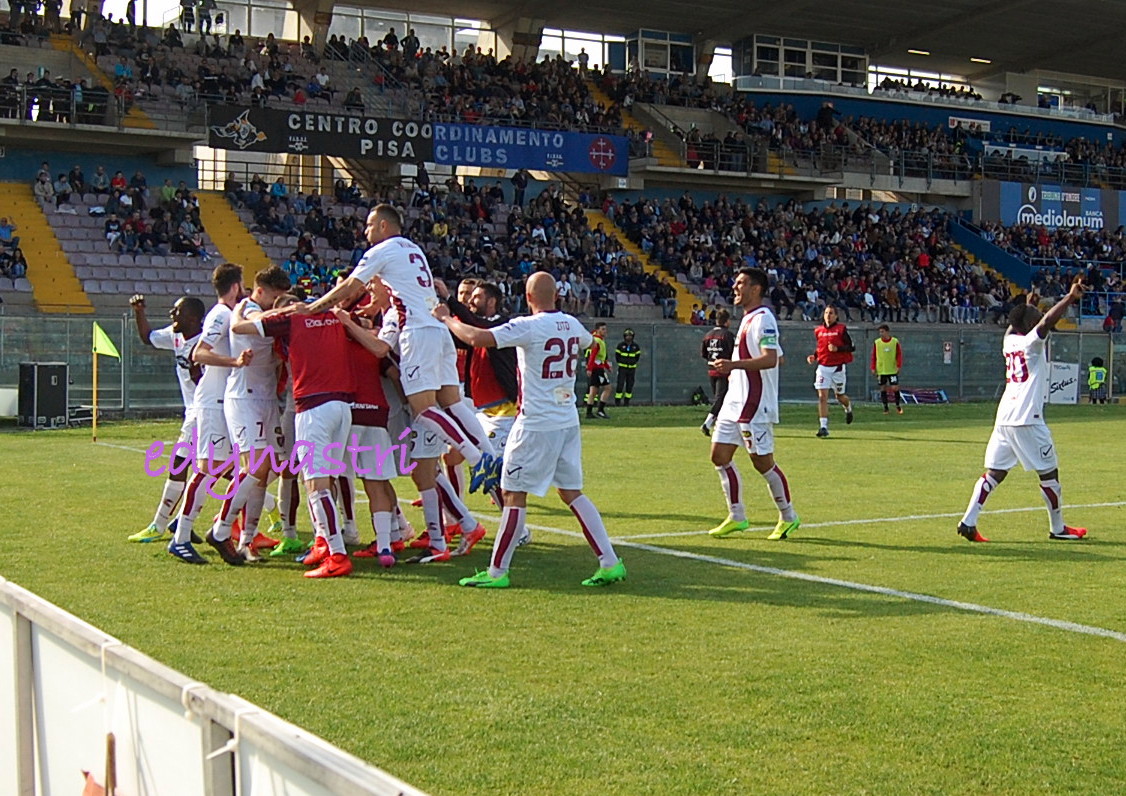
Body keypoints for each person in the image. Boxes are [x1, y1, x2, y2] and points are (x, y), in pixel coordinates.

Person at [300, 203, 498, 563]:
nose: (365, 231)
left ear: (386, 225)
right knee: (451, 401)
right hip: (436, 329)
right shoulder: (412, 248)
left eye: (370, 224)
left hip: (418, 334)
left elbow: (349, 286)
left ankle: (476, 460)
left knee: (423, 409)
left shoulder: (383, 251)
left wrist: (316, 308)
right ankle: (485, 458)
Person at [434, 272, 627, 588]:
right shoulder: (572, 324)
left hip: (535, 423)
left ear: (527, 297)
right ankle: (609, 561)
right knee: (571, 492)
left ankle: (497, 572)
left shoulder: (528, 326)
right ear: (557, 296)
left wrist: (446, 318)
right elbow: (593, 344)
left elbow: (475, 338)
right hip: (567, 419)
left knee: (512, 494)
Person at [231, 300, 359, 577]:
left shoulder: (289, 321)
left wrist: (240, 307)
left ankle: (337, 554)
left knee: (316, 484)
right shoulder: (333, 316)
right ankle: (324, 543)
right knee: (325, 478)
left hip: (313, 408)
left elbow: (239, 327)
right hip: (343, 405)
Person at [957, 280, 1089, 543]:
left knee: (995, 472)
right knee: (1050, 473)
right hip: (1027, 418)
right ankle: (1058, 528)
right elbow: (1046, 323)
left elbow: (1019, 323)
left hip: (1004, 417)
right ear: (1029, 326)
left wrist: (1030, 304)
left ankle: (968, 521)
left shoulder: (1009, 342)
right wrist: (1070, 298)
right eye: (1036, 315)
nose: (1041, 315)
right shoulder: (1031, 344)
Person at [203, 266, 293, 563]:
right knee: (255, 465)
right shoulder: (247, 308)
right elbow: (251, 322)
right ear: (260, 291)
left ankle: (247, 541)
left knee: (265, 470)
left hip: (266, 398)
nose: (277, 304)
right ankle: (221, 528)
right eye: (275, 297)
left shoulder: (267, 313)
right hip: (243, 398)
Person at [166, 264, 253, 562]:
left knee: (227, 469)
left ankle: (187, 523)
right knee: (208, 469)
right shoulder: (221, 314)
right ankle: (180, 537)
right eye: (241, 285)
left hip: (223, 403)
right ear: (235, 286)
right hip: (212, 403)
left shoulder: (231, 315)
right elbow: (199, 353)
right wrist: (235, 362)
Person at [705, 268, 800, 541]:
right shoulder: (748, 319)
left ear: (756, 289)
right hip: (735, 401)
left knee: (762, 462)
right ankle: (737, 516)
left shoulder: (764, 319)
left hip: (754, 403)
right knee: (719, 456)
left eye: (741, 283)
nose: (735, 287)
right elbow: (778, 357)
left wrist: (734, 365)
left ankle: (788, 516)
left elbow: (770, 359)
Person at [126, 294, 206, 547]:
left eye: (177, 311)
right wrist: (139, 311)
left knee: (180, 466)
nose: (172, 314)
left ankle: (158, 525)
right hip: (196, 412)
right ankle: (182, 521)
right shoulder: (176, 336)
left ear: (193, 317)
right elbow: (147, 337)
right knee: (221, 471)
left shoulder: (207, 342)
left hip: (203, 413)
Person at [807, 305, 854, 437]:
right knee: (822, 397)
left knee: (840, 396)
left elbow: (852, 347)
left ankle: (848, 407)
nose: (828, 315)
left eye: (831, 313)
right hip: (823, 367)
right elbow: (820, 347)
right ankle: (823, 427)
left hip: (837, 368)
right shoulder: (819, 331)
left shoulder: (841, 329)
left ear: (836, 316)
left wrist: (838, 349)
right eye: (826, 313)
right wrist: (814, 356)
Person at [700, 309, 735, 436]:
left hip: (711, 369)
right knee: (721, 399)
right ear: (727, 321)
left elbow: (704, 354)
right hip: (724, 371)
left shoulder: (708, 335)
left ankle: (722, 426)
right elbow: (734, 353)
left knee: (721, 399)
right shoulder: (728, 335)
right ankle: (707, 423)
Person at [870, 324, 904, 415]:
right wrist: (873, 367)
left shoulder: (894, 341)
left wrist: (899, 365)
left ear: (887, 332)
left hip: (892, 369)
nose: (881, 334)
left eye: (882, 332)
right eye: (880, 332)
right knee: (883, 388)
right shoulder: (877, 342)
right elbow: (873, 356)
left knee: (894, 387)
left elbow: (899, 354)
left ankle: (898, 405)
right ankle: (885, 408)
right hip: (881, 370)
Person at [584, 321, 612, 419]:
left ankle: (589, 412)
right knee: (608, 388)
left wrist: (607, 366)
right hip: (597, 369)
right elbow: (593, 356)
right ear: (597, 330)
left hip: (597, 367)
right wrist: (590, 368)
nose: (605, 331)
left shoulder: (596, 339)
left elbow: (600, 357)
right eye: (603, 329)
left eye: (605, 329)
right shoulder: (597, 341)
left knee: (593, 391)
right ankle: (600, 410)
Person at [613, 329, 641, 406]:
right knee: (620, 384)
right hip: (622, 368)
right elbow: (617, 356)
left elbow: (637, 357)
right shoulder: (620, 345)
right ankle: (617, 402)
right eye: (627, 336)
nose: (628, 337)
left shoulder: (636, 346)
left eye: (630, 336)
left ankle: (626, 402)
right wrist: (621, 363)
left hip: (632, 369)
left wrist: (632, 362)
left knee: (630, 385)